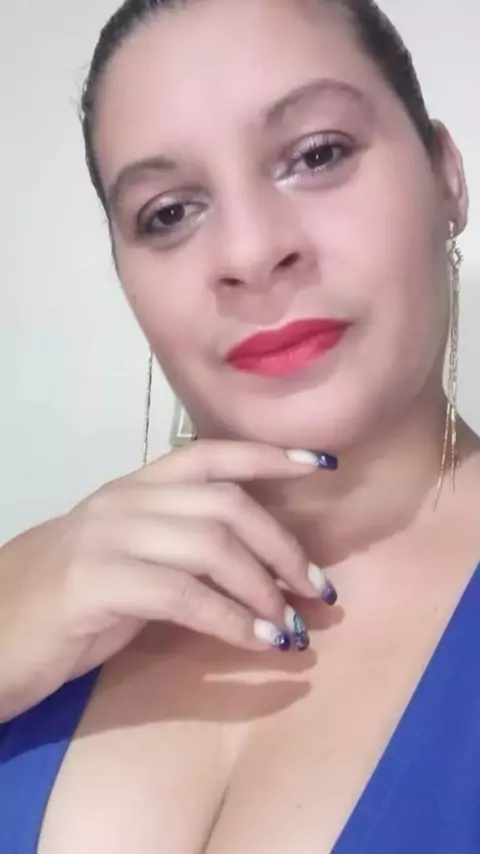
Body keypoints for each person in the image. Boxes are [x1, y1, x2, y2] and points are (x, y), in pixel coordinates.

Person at [1, 0, 480, 850]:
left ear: (446, 174)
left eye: (318, 154)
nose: (251, 253)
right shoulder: (34, 595)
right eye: (168, 212)